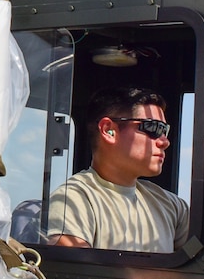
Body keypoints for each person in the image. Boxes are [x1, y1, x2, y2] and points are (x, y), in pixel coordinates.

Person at [46, 87, 190, 252]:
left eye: (164, 130)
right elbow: (72, 272)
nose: (164, 142)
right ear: (109, 130)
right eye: (153, 128)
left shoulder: (172, 206)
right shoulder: (75, 198)